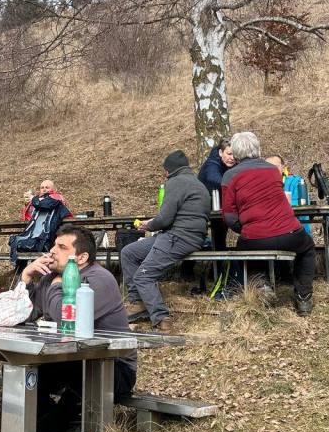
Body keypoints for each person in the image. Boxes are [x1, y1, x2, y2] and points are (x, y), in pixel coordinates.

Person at [22, 225, 137, 432]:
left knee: (79, 371)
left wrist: (57, 285)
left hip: (113, 366)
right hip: (69, 357)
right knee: (26, 369)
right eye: (54, 245)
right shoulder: (51, 277)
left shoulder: (98, 280)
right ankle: (43, 430)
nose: (52, 251)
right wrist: (27, 277)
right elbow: (25, 312)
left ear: (81, 257)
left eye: (61, 247)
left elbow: (63, 315)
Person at [222, 132, 315, 314]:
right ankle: (303, 297)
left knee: (245, 250)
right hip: (289, 231)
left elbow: (229, 216)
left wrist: (244, 228)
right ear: (257, 149)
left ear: (236, 152)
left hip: (254, 235)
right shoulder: (273, 170)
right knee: (307, 249)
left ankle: (262, 286)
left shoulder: (230, 176)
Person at [121, 151, 210, 329]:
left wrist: (148, 226)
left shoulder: (175, 182)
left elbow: (164, 219)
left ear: (169, 170)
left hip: (177, 238)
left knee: (143, 276)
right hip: (188, 236)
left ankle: (162, 319)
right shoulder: (198, 184)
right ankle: (137, 302)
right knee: (128, 253)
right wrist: (154, 224)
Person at [198, 138, 235, 249]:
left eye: (235, 155)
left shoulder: (232, 164)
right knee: (216, 232)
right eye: (229, 154)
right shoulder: (212, 164)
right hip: (204, 207)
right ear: (220, 152)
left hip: (220, 207)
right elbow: (215, 179)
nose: (232, 158)